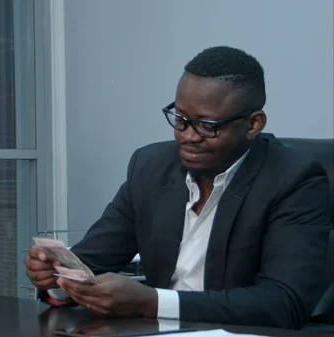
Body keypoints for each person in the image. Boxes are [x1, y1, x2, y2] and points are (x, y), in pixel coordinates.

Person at [25, 46, 332, 329]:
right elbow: (91, 260)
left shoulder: (294, 179)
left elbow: (285, 303)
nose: (188, 136)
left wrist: (152, 302)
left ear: (253, 124)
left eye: (206, 125)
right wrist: (57, 279)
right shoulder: (150, 167)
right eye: (180, 119)